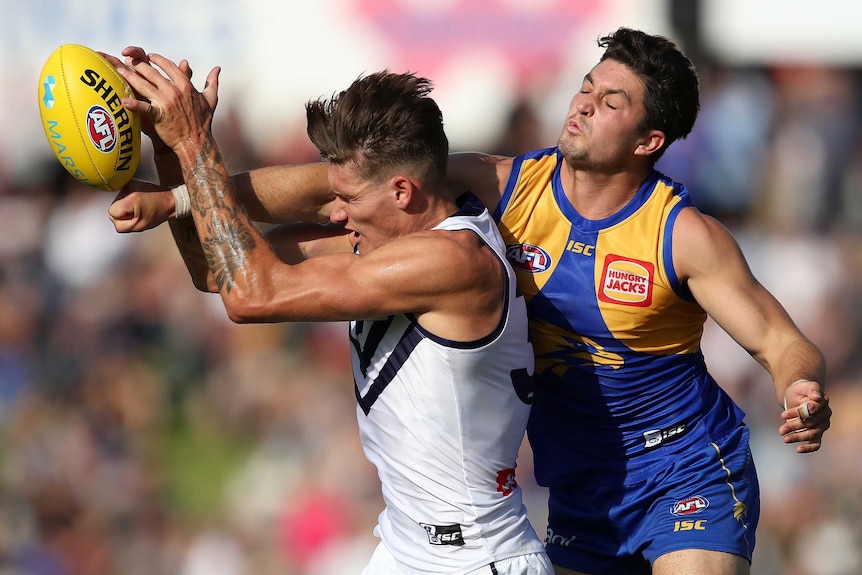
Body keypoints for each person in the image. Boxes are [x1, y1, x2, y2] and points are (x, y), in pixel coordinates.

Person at [108, 28, 831, 575]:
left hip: (680, 470)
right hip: (578, 484)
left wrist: (799, 385)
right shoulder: (506, 187)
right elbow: (337, 184)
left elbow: (776, 337)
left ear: (650, 139)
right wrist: (180, 191)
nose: (583, 102)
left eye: (611, 100)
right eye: (587, 83)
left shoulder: (680, 236)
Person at [111, 55, 553, 575]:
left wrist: (194, 144)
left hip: (475, 560)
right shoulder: (387, 237)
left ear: (402, 192)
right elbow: (219, 272)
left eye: (345, 198)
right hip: (404, 547)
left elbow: (253, 296)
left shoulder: (454, 261)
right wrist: (173, 162)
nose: (335, 212)